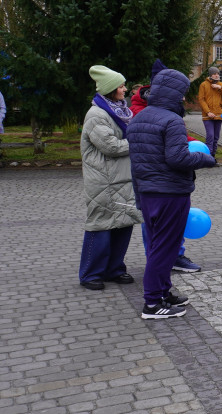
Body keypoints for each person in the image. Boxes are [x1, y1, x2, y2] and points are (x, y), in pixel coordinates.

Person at [127, 65, 217, 319]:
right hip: (170, 194)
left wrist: (139, 197)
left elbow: (135, 164)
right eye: (181, 93)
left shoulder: (138, 119)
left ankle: (164, 291)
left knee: (159, 245)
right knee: (164, 249)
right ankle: (153, 303)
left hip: (148, 193)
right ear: (172, 93)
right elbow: (177, 158)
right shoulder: (172, 120)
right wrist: (205, 158)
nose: (183, 98)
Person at [79, 65, 143, 291]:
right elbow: (111, 146)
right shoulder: (97, 115)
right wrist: (139, 142)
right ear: (110, 89)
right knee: (101, 226)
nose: (125, 89)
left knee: (123, 224)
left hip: (123, 178)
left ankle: (114, 269)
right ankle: (90, 273)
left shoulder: (121, 112)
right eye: (121, 86)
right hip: (104, 181)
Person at [197, 67, 222, 157]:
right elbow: (201, 100)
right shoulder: (203, 85)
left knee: (216, 137)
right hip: (207, 116)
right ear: (210, 75)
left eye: (218, 74)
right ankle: (208, 157)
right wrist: (208, 112)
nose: (216, 75)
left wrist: (220, 88)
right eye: (214, 73)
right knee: (210, 136)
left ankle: (213, 157)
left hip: (219, 114)